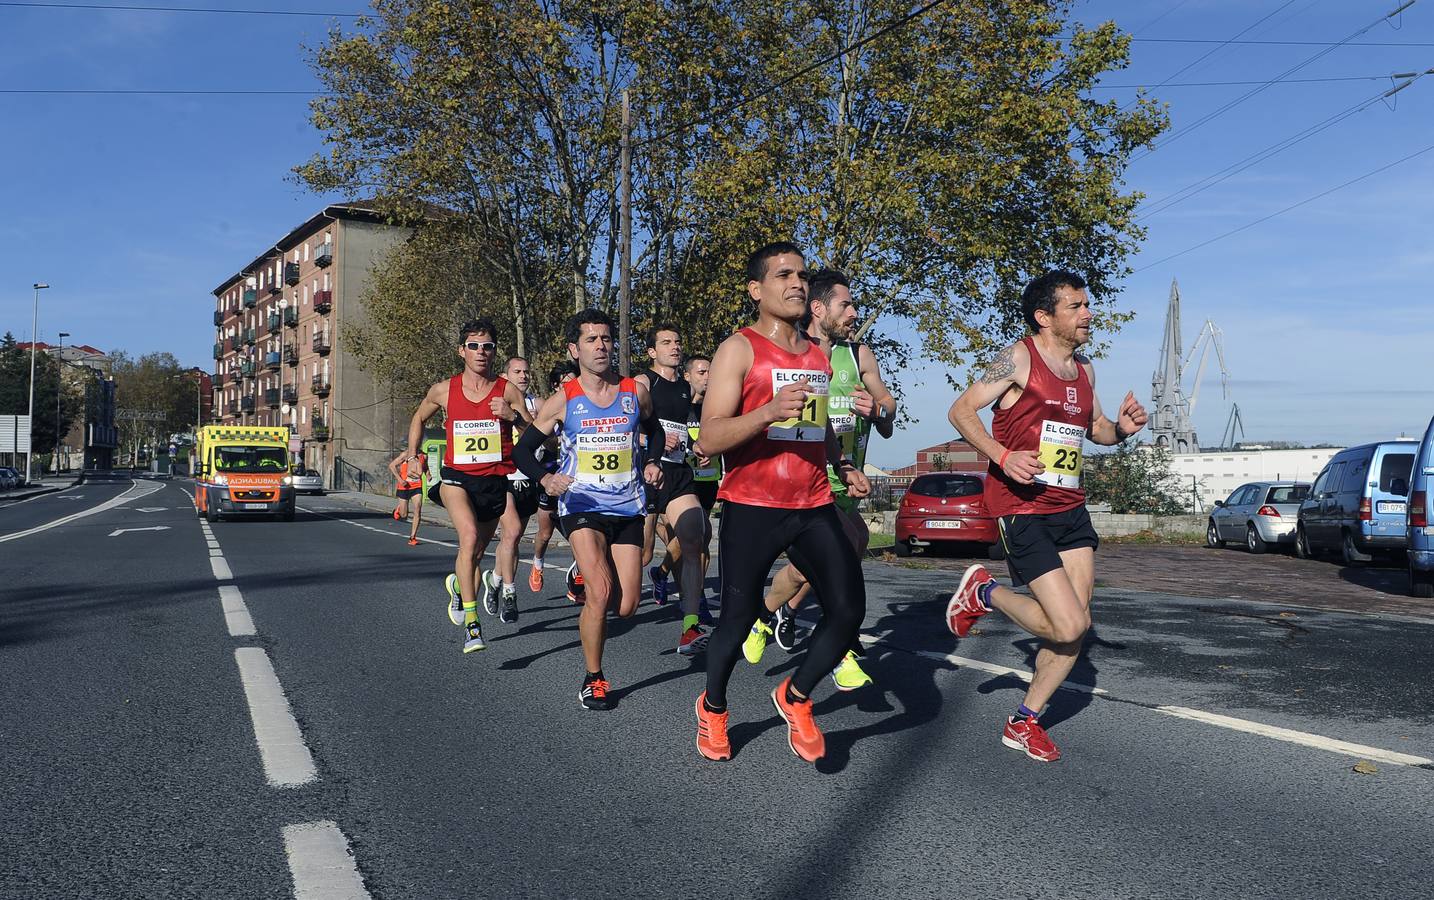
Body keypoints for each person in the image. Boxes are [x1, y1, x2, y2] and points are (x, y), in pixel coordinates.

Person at [946, 270, 1148, 762]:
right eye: (1076, 306)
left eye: (1087, 305)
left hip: (1070, 508)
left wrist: (1120, 430)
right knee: (1068, 624)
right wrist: (1001, 454)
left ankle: (1024, 721)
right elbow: (962, 411)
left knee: (1076, 626)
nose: (1088, 314)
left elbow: (1094, 430)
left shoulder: (1086, 370)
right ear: (1044, 316)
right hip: (1022, 507)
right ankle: (984, 591)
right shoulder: (1016, 358)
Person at [692, 241, 870, 763]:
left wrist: (842, 466)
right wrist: (767, 411)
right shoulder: (739, 349)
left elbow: (819, 430)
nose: (797, 283)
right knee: (738, 617)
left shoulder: (817, 355)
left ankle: (794, 696)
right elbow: (710, 436)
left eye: (802, 275)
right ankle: (715, 708)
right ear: (757, 290)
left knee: (848, 610)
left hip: (812, 502)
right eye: (784, 275)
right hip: (752, 503)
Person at [744, 269, 897, 692]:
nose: (854, 312)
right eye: (845, 305)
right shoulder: (796, 353)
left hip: (847, 478)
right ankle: (843, 649)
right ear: (818, 308)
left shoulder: (859, 354)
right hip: (807, 479)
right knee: (847, 548)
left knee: (808, 568)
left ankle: (765, 615)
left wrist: (877, 411)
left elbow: (888, 409)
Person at [513, 308, 665, 710]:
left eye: (606, 338)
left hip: (628, 505)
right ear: (574, 349)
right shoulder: (563, 400)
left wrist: (652, 461)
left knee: (628, 605)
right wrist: (546, 480)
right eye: (591, 340)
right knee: (600, 592)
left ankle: (588, 573)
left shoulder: (635, 391)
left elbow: (656, 431)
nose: (601, 346)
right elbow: (522, 450)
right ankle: (594, 678)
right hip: (581, 505)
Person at [390, 319, 533, 654]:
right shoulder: (444, 390)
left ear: (494, 352)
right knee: (467, 539)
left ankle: (458, 584)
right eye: (474, 346)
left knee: (476, 553)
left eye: (487, 346)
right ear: (461, 351)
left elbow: (534, 437)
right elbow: (418, 418)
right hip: (456, 477)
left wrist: (515, 419)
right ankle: (472, 626)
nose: (481, 352)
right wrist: (413, 454)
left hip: (494, 482)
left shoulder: (507, 391)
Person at [634, 325, 710, 656]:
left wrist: (696, 446)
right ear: (652, 351)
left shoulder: (684, 386)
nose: (675, 347)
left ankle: (689, 626)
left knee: (695, 534)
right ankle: (586, 570)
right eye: (666, 343)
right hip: (646, 473)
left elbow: (681, 429)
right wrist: (650, 442)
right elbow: (626, 426)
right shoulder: (643, 383)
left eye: (678, 341)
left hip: (678, 473)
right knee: (645, 552)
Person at [478, 356, 543, 624]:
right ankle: (509, 593)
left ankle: (493, 579)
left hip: (529, 479)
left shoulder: (539, 405)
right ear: (506, 375)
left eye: (527, 372)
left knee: (512, 541)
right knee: (513, 530)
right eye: (517, 372)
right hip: (503, 478)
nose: (523, 376)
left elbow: (543, 437)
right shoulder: (496, 402)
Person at [531, 360, 578, 594]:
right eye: (564, 383)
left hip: (576, 480)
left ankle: (578, 581)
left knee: (582, 534)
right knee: (545, 532)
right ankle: (538, 563)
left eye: (573, 381)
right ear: (555, 386)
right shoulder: (551, 407)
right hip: (551, 474)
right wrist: (559, 439)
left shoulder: (585, 404)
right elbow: (541, 441)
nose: (570, 387)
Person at [388, 452, 425, 546]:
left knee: (418, 509)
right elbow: (392, 466)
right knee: (404, 515)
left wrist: (428, 474)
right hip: (404, 487)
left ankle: (413, 537)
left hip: (417, 486)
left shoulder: (423, 456)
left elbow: (425, 467)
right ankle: (399, 509)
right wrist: (399, 479)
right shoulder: (405, 454)